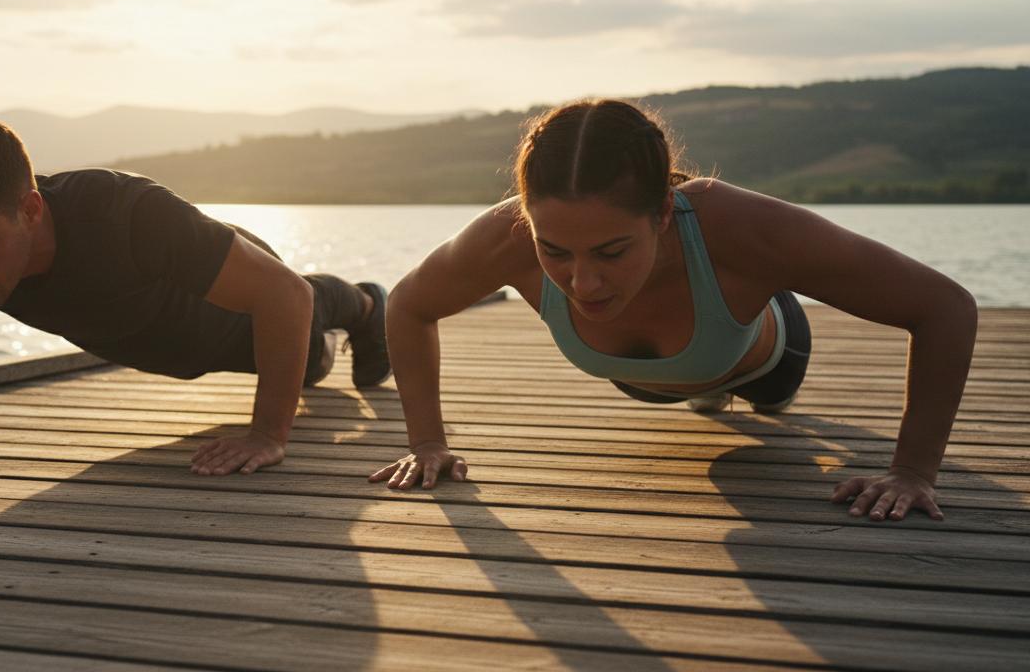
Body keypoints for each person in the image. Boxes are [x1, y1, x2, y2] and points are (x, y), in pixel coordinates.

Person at [369, 99, 977, 522]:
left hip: (761, 358)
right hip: (643, 382)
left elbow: (945, 308)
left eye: (611, 251)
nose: (582, 282)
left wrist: (913, 472)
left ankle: (736, 377)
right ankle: (700, 391)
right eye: (553, 250)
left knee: (765, 414)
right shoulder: (501, 237)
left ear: (662, 214)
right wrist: (427, 442)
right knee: (688, 391)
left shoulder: (745, 228)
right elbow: (408, 305)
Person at [0, 114, 390, 475]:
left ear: (30, 210)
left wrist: (268, 434)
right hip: (173, 344)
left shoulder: (128, 215)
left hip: (233, 310)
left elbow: (283, 296)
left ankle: (366, 305)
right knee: (308, 356)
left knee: (310, 336)